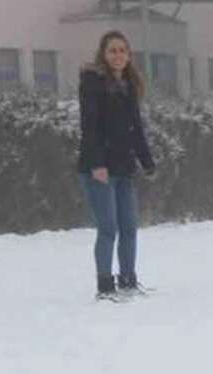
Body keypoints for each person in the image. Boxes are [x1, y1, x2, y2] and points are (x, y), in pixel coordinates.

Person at [77, 30, 155, 301]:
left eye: (123, 50)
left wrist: (146, 160)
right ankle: (105, 284)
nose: (118, 55)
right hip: (98, 168)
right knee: (108, 228)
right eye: (113, 50)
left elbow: (135, 128)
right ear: (103, 53)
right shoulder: (93, 83)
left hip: (124, 167)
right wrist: (98, 163)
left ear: (129, 55)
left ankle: (128, 279)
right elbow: (90, 126)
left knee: (129, 227)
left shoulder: (129, 85)